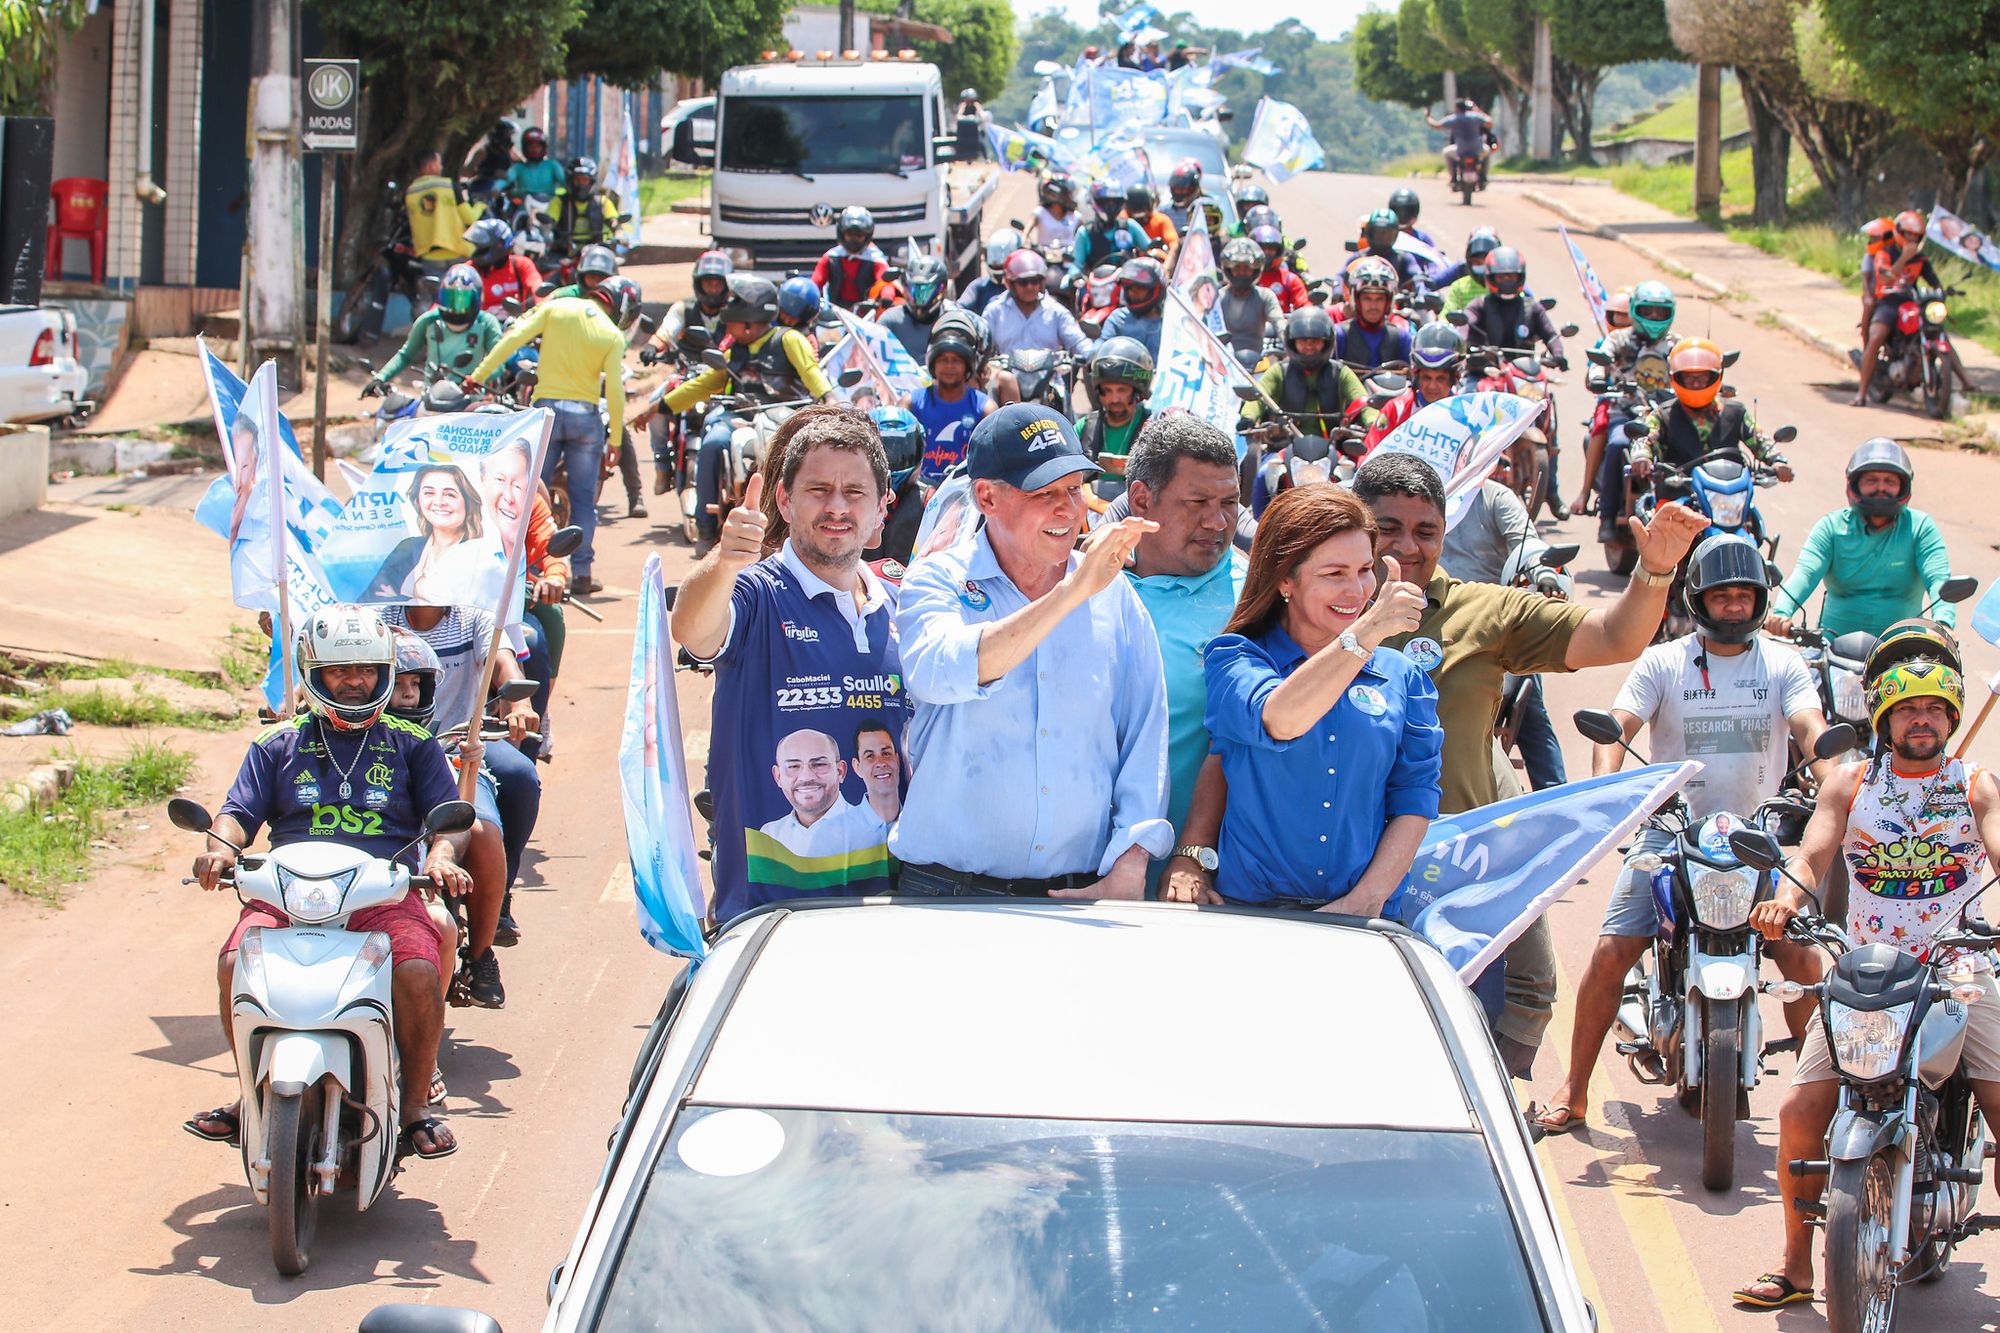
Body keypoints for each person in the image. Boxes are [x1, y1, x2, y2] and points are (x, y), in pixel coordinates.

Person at [1345, 451, 1711, 1074]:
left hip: (1449, 873)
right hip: (1335, 870)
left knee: (1472, 1045)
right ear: (1355, 525)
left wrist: (1653, 572)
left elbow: (1616, 639)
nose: (1407, 546)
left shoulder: (1482, 611)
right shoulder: (1317, 603)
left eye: (1426, 531)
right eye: (1387, 528)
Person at [1531, 535, 1833, 1135]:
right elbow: (1614, 728)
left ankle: (1827, 1096)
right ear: (1697, 597)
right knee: (1613, 950)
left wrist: (1833, 782)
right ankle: (1574, 1088)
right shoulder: (1664, 661)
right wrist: (1609, 794)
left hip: (1756, 838)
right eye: (1720, 596)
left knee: (1802, 961)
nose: (1732, 606)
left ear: (1759, 599)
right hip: (1669, 836)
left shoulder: (1783, 664)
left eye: (1743, 596)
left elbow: (1810, 727)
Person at [1732, 655, 2000, 1311]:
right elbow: (1811, 855)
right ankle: (1797, 1264)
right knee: (1798, 1111)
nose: (1923, 720)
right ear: (1884, 719)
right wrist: (1785, 902)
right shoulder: (1850, 785)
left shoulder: (1975, 785)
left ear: (1952, 718)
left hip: (1959, 964)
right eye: (1909, 709)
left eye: (1936, 709)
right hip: (1868, 966)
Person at [182, 608, 471, 1162]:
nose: (355, 680)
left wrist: (439, 856)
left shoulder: (413, 743)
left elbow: (447, 821)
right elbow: (237, 813)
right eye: (340, 671)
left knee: (416, 970)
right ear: (314, 673)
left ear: (385, 671)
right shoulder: (277, 743)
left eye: (366, 668)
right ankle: (247, 1095)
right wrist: (218, 850)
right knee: (230, 964)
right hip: (288, 893)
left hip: (383, 893)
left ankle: (413, 1108)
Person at [889, 403, 1171, 896]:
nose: (1068, 510)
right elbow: (940, 671)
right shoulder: (937, 580)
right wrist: (1073, 592)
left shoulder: (1114, 594)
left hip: (1077, 893)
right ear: (987, 497)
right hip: (946, 895)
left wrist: (1130, 863)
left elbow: (1145, 737)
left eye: (1073, 490)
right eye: (1044, 494)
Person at [668, 406, 910, 923]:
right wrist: (726, 560)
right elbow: (692, 628)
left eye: (855, 493)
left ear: (880, 511)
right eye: (819, 490)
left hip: (892, 903)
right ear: (785, 499)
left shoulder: (901, 598)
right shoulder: (757, 593)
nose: (837, 508)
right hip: (774, 914)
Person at [1186, 484, 1440, 910]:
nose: (1357, 591)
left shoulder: (1404, 676)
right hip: (1250, 916)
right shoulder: (1235, 658)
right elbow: (1280, 719)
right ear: (1285, 579)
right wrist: (1368, 632)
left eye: (1364, 570)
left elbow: (1415, 796)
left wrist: (1366, 900)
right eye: (1334, 574)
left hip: (1365, 918)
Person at [1119, 417, 1246, 874]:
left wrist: (1194, 853)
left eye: (1229, 502)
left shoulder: (1259, 598)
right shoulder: (1083, 585)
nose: (1217, 522)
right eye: (1197, 503)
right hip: (1079, 878)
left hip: (1200, 886)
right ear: (1140, 500)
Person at [377, 601, 541, 944]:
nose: (409, 691)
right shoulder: (376, 620)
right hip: (381, 746)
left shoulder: (475, 618)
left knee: (501, 804)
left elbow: (503, 662)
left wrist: (521, 704)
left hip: (458, 742)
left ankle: (485, 944)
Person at [648, 277, 834, 555]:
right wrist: (660, 407)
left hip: (783, 419)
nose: (728, 327)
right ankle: (706, 528)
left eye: (732, 322)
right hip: (737, 417)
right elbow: (703, 384)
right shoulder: (733, 351)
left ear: (749, 322)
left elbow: (813, 374)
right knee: (712, 442)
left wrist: (829, 401)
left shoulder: (789, 340)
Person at [466, 283, 631, 592]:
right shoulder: (612, 333)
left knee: (527, 494)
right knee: (584, 498)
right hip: (586, 417)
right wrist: (617, 439)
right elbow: (615, 391)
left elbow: (513, 337)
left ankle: (526, 571)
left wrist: (479, 374)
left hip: (547, 415)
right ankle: (581, 574)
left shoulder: (556, 308)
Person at [387, 632, 507, 1008]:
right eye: (397, 684)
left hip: (407, 875)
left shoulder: (424, 748)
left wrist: (469, 767)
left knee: (441, 925)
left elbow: (456, 815)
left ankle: (427, 1024)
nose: (408, 693)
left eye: (414, 684)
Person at [1768, 437, 1955, 638]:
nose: (1880, 488)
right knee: (1803, 670)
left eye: (1890, 481)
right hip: (1831, 647)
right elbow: (1805, 574)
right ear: (1854, 486)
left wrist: (1943, 624)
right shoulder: (1831, 527)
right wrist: (1781, 612)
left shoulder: (1920, 528)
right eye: (1871, 480)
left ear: (1904, 487)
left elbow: (1939, 580)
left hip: (1903, 652)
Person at [1575, 280, 1679, 522]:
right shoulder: (1620, 339)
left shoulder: (1675, 343)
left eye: (1660, 312)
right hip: (1625, 412)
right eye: (1647, 311)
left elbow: (1693, 364)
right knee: (1616, 444)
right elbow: (1602, 361)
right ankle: (1608, 517)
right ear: (1635, 310)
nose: (1654, 316)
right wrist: (1597, 377)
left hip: (1664, 416)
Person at [1629, 338, 1793, 490]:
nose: (1696, 383)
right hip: (1677, 495)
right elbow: (1647, 439)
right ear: (1675, 378)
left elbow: (1758, 439)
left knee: (1752, 519)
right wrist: (1642, 457)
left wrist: (1777, 461)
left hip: (1729, 494)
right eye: (1688, 377)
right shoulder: (1663, 414)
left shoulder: (1736, 412)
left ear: (1716, 376)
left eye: (1703, 377)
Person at [1239, 306, 1379, 450]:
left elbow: (1363, 401)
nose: (1309, 346)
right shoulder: (1279, 371)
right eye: (1303, 341)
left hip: (1333, 450)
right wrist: (1247, 417)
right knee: (1260, 473)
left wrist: (1372, 421)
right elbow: (1258, 397)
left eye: (1315, 341)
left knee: (1360, 470)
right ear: (1292, 342)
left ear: (1327, 341)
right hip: (1284, 448)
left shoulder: (1341, 372)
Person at [1852, 210, 1945, 406]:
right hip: (1888, 303)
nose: (1911, 239)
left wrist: (1942, 292)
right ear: (1899, 232)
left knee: (1938, 332)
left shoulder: (1921, 259)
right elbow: (1885, 277)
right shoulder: (1884, 254)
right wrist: (1903, 257)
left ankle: (1963, 380)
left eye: (1915, 236)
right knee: (1876, 336)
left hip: (1911, 303)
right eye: (1908, 234)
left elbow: (1934, 281)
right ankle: (1861, 393)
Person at [365, 264, 504, 394]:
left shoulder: (486, 322)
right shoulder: (429, 320)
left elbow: (499, 363)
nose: (455, 309)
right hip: (431, 395)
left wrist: (474, 380)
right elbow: (405, 355)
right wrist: (380, 378)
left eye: (463, 301)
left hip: (469, 399)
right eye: (450, 299)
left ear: (478, 299)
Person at [907, 324, 993, 488]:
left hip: (966, 492)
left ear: (967, 365)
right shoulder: (911, 403)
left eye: (956, 360)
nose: (949, 366)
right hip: (919, 491)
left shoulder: (985, 408)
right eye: (943, 360)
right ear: (932, 364)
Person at [1364, 322, 1463, 450]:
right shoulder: (1396, 409)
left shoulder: (1466, 414)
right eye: (1426, 378)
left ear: (1454, 379)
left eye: (1440, 379)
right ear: (1416, 377)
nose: (1432, 386)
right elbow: (1369, 453)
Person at [1076, 338, 1154, 496]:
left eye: (1122, 390)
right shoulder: (1084, 426)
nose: (1114, 399)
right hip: (1089, 512)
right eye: (1107, 390)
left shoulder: (1153, 426)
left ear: (1138, 391)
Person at [1461, 247, 1564, 365]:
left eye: (1511, 277)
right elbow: (1464, 326)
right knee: (1470, 384)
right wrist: (1472, 347)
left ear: (1520, 277)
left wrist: (1558, 354)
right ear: (1490, 277)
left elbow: (1550, 335)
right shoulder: (1479, 305)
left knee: (1545, 383)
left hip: (1524, 375)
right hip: (1483, 370)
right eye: (1501, 277)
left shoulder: (1532, 308)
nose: (1506, 281)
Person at [982, 249, 1092, 359]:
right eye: (1023, 282)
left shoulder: (1057, 312)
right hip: (1007, 375)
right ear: (1010, 284)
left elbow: (1078, 342)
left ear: (1042, 282)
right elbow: (981, 346)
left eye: (1034, 281)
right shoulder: (994, 312)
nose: (1030, 287)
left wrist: (1094, 357)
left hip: (1049, 375)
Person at [403, 150, 477, 309]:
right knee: (462, 298)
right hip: (457, 250)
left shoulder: (411, 192)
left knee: (436, 300)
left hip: (429, 254)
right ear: (430, 165)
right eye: (439, 163)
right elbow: (470, 218)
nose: (441, 166)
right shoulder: (448, 185)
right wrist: (481, 205)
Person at [860, 404, 927, 567]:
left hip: (910, 584)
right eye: (885, 450)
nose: (893, 458)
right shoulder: (847, 497)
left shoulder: (930, 499)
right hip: (857, 584)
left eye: (902, 450)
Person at [641, 249, 731, 366]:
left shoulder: (735, 312)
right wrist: (652, 346)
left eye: (718, 284)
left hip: (725, 373)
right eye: (708, 284)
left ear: (726, 286)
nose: (713, 289)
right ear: (699, 284)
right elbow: (666, 332)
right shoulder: (683, 308)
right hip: (688, 371)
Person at [1334, 256, 1413, 371]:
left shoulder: (1401, 337)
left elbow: (1412, 378)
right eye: (1367, 298)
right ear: (1356, 300)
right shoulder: (1339, 335)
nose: (1373, 306)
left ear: (1389, 301)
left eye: (1379, 299)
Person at [1216, 237, 1285, 366]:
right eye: (1237, 267)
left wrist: (1290, 346)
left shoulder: (1265, 295)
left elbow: (1279, 323)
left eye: (1247, 268)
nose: (1242, 272)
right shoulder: (1217, 298)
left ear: (1255, 270)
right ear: (1228, 269)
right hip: (1222, 364)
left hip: (1258, 364)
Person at [1069, 183, 1152, 286]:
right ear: (1094, 201)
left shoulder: (1130, 226)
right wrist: (1076, 276)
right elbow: (1077, 264)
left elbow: (1150, 249)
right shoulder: (1085, 232)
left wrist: (1156, 255)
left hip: (1127, 285)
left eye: (1115, 202)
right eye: (1106, 202)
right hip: (1097, 287)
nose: (1111, 206)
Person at [876, 251, 952, 362]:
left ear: (943, 289)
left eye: (926, 290)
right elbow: (872, 359)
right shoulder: (889, 321)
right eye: (913, 289)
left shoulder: (952, 320)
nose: (919, 299)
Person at [811, 206, 889, 311]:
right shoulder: (831, 257)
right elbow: (816, 281)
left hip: (867, 317)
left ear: (867, 236)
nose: (854, 239)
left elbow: (885, 282)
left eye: (859, 235)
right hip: (834, 315)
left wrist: (887, 297)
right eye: (849, 234)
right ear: (841, 234)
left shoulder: (875, 258)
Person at [463, 218, 542, 314]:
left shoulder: (521, 264)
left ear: (499, 246)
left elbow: (538, 289)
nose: (477, 252)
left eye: (483, 248)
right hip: (480, 325)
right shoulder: (468, 270)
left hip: (517, 324)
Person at [548, 156, 621, 259]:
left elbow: (614, 220)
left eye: (584, 180)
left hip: (597, 253)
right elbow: (549, 220)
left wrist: (618, 231)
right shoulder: (559, 201)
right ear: (570, 181)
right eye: (577, 180)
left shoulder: (602, 202)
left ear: (591, 181)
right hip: (564, 255)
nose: (581, 184)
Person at [1098, 257, 1167, 360]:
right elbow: (1101, 346)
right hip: (1123, 375)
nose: (1132, 293)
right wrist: (1093, 355)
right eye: (1129, 288)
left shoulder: (1170, 322)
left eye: (1139, 288)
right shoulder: (1118, 319)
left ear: (1155, 290)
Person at [1427, 97, 1495, 189]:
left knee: (1446, 152)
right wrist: (1479, 111)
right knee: (1487, 151)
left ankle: (1454, 177)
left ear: (1457, 108)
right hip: (1477, 149)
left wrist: (1427, 117)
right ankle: (1483, 176)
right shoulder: (1475, 116)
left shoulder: (1454, 118)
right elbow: (1490, 123)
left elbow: (1436, 125)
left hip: (1461, 150)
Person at [1436, 227, 1501, 315]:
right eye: (1477, 262)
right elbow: (1446, 317)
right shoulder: (1458, 287)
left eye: (1487, 261)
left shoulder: (1508, 285)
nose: (1483, 266)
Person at [1251, 225, 1309, 313]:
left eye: (1271, 248)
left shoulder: (1290, 280)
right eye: (1262, 248)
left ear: (1278, 251)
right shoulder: (1243, 277)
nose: (1266, 252)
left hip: (1281, 325)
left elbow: (1304, 310)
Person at [963, 228, 1020, 315]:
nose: (1029, 286)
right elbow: (961, 305)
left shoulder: (1025, 286)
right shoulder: (979, 286)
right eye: (996, 266)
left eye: (1002, 266)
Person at [504, 126, 564, 202]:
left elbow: (565, 182)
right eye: (530, 146)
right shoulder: (518, 167)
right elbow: (504, 180)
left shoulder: (553, 166)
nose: (534, 149)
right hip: (524, 209)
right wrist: (495, 189)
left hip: (549, 208)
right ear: (525, 148)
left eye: (537, 146)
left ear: (544, 148)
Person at [542, 243, 619, 300]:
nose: (596, 282)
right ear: (582, 276)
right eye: (592, 276)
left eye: (602, 277)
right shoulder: (563, 295)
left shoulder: (619, 299)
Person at [1027, 173, 1080, 252]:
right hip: (1043, 259)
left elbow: (1085, 237)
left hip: (1069, 261)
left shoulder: (1076, 216)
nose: (1071, 196)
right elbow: (1025, 232)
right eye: (1069, 192)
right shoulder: (1039, 212)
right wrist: (1024, 242)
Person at [1124, 183, 1179, 253]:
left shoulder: (1161, 220)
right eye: (1135, 207)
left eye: (1143, 206)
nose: (1140, 211)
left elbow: (1174, 245)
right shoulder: (1123, 222)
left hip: (1156, 261)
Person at [1163, 157, 1207, 235]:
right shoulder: (1163, 212)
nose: (1180, 193)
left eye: (1184, 189)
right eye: (1177, 189)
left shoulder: (1206, 210)